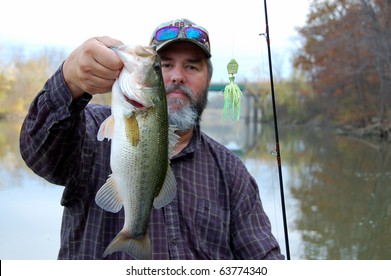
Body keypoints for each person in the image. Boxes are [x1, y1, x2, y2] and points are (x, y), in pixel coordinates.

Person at [19, 18, 284, 260]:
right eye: (164, 65)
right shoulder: (89, 129)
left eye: (192, 66)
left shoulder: (231, 171)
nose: (177, 76)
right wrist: (70, 80)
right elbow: (38, 152)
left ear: (208, 79)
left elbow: (262, 256)